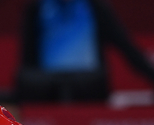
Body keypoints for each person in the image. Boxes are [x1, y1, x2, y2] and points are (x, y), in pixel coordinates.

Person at [16, 0, 154, 102]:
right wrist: (19, 95)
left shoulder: (96, 9)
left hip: (90, 92)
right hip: (47, 94)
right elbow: (26, 60)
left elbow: (127, 49)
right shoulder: (36, 10)